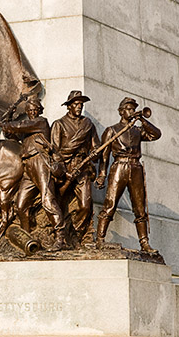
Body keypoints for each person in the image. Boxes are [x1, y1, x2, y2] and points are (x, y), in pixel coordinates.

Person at [95, 97, 161, 253]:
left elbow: (156, 134)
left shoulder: (138, 130)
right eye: (129, 109)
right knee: (109, 205)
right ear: (121, 111)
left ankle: (144, 243)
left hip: (136, 167)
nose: (132, 111)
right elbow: (104, 156)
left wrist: (143, 120)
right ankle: (99, 238)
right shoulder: (111, 130)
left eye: (133, 109)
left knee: (140, 208)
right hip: (119, 167)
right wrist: (102, 175)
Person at [2, 98, 68, 250]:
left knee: (48, 200)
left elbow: (20, 126)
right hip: (28, 166)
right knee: (20, 205)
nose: (32, 112)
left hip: (41, 163)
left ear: (39, 110)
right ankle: (28, 238)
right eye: (30, 110)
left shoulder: (40, 122)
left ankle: (61, 238)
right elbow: (12, 134)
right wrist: (8, 120)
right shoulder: (27, 131)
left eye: (35, 109)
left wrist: (6, 124)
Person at [51, 90, 100, 246]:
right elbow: (54, 151)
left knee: (86, 205)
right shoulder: (59, 124)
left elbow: (96, 146)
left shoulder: (88, 124)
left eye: (81, 104)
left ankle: (76, 235)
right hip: (65, 169)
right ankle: (57, 234)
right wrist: (65, 171)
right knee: (57, 202)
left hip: (83, 167)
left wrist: (95, 152)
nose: (79, 107)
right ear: (69, 106)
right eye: (76, 104)